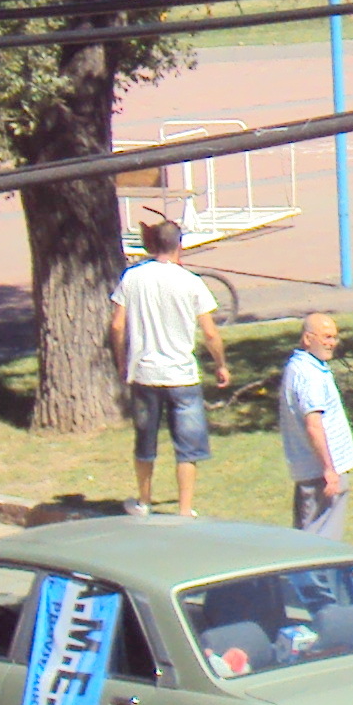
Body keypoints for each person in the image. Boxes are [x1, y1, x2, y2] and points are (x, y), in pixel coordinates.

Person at [109, 216, 227, 519]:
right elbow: (210, 332)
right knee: (187, 447)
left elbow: (117, 325)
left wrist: (122, 361)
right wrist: (220, 365)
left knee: (145, 441)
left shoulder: (132, 278)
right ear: (179, 246)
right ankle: (185, 508)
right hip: (182, 375)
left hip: (144, 373)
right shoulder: (192, 282)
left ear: (152, 244)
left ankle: (144, 500)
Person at [275, 311, 353, 537]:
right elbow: (313, 426)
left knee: (315, 537)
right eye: (326, 337)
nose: (332, 343)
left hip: (318, 470)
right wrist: (329, 470)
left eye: (334, 337)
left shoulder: (305, 367)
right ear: (308, 339)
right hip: (320, 473)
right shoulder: (308, 375)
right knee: (320, 539)